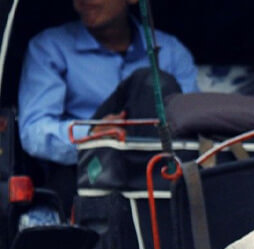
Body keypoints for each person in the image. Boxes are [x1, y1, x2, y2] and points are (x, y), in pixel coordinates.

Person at [18, 0, 198, 208]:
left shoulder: (171, 51)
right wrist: (90, 135)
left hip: (161, 177)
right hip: (85, 179)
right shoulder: (50, 47)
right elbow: (34, 130)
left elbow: (192, 124)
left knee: (152, 84)